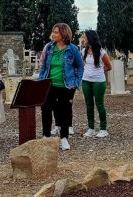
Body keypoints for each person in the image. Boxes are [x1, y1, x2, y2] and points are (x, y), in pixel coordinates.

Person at [37, 23, 84, 151]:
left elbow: (80, 66)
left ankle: (64, 138)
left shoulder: (72, 49)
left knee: (64, 111)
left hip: (66, 85)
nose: (53, 34)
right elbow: (44, 67)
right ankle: (46, 137)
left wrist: (76, 82)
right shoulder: (49, 48)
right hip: (49, 84)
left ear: (63, 34)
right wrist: (41, 81)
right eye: (53, 31)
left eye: (56, 32)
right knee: (46, 110)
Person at [79, 30, 112, 138]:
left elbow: (109, 66)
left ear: (90, 38)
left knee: (100, 104)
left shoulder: (101, 52)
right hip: (86, 80)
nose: (83, 39)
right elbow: (82, 65)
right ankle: (91, 128)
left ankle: (103, 128)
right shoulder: (84, 51)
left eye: (84, 37)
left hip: (98, 81)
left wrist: (99, 73)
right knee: (89, 105)